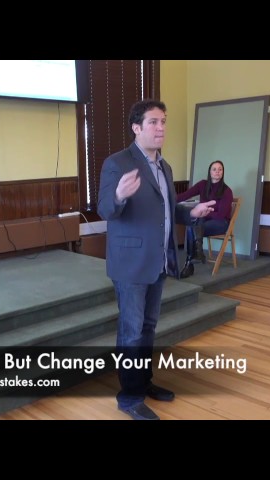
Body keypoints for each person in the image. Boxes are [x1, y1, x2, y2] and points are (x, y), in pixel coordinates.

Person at [98, 99, 215, 420]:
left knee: (148, 327)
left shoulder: (165, 167)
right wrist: (119, 195)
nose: (161, 127)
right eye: (153, 122)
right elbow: (105, 209)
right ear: (136, 128)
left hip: (159, 260)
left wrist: (191, 212)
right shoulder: (117, 163)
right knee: (132, 331)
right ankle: (129, 397)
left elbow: (166, 210)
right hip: (130, 264)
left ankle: (143, 382)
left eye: (163, 121)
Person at [176, 160, 233, 278]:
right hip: (204, 220)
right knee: (193, 224)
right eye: (214, 169)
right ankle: (197, 254)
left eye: (220, 169)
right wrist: (168, 200)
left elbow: (221, 215)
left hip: (221, 223)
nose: (217, 172)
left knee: (194, 226)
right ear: (210, 172)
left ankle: (190, 262)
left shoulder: (227, 191)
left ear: (223, 172)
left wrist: (203, 213)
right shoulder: (203, 184)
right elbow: (185, 195)